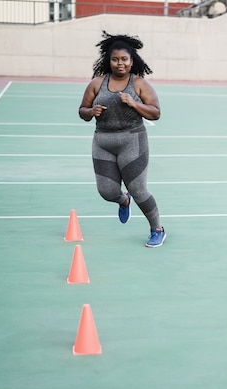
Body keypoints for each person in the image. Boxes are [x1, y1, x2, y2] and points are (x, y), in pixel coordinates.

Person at [78, 31, 166, 248]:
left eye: (124, 59)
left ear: (131, 60)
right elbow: (82, 110)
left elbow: (155, 113)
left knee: (139, 190)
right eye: (115, 59)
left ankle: (157, 229)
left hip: (132, 141)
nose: (120, 63)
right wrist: (91, 112)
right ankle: (122, 200)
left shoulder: (139, 84)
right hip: (103, 142)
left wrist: (134, 103)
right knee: (106, 192)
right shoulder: (97, 83)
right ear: (108, 61)